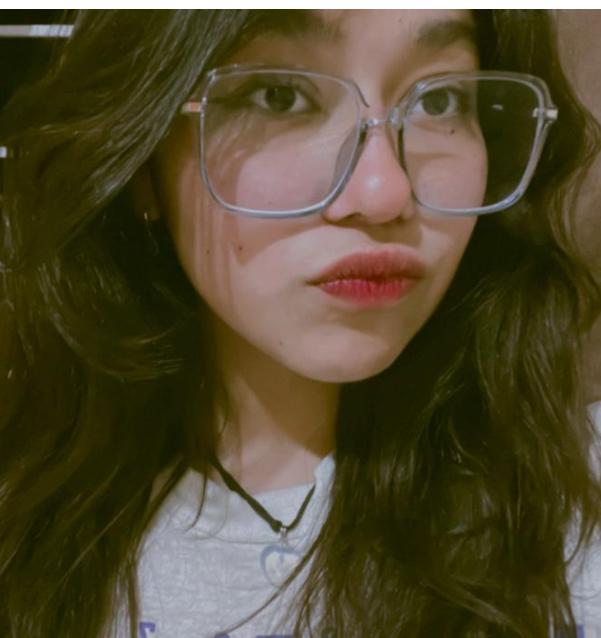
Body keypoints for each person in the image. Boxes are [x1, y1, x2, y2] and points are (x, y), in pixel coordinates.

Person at [0, 8, 600, 638]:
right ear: (145, 157)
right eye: (280, 95)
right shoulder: (30, 533)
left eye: (440, 99)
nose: (382, 192)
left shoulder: (568, 500)